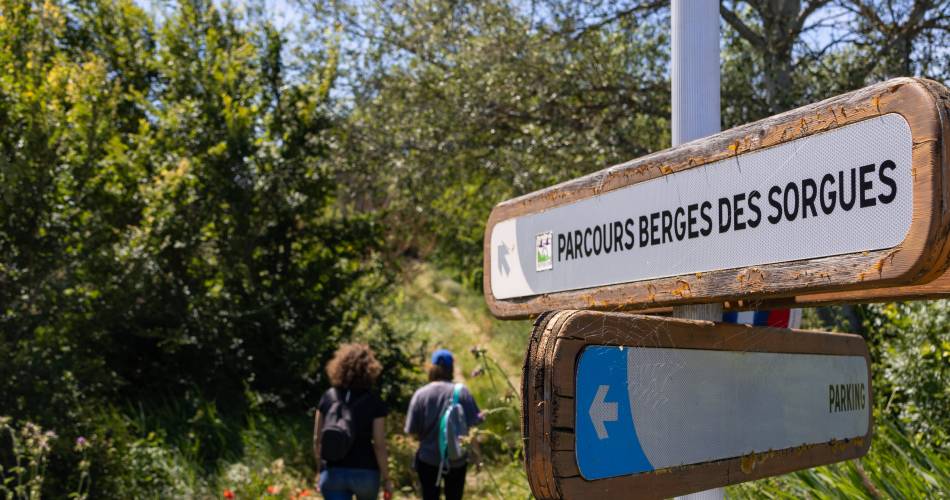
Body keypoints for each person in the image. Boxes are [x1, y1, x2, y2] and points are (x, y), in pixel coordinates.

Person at [313, 343, 393, 500]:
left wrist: (320, 470)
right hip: (366, 472)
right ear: (370, 370)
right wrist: (386, 479)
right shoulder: (374, 401)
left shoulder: (328, 397)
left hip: (333, 471)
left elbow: (317, 439)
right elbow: (379, 444)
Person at [405, 349, 484, 500]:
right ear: (451, 368)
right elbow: (472, 430)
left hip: (428, 460)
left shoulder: (421, 394)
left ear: (432, 368)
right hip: (456, 459)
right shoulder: (462, 392)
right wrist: (477, 457)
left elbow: (412, 431)